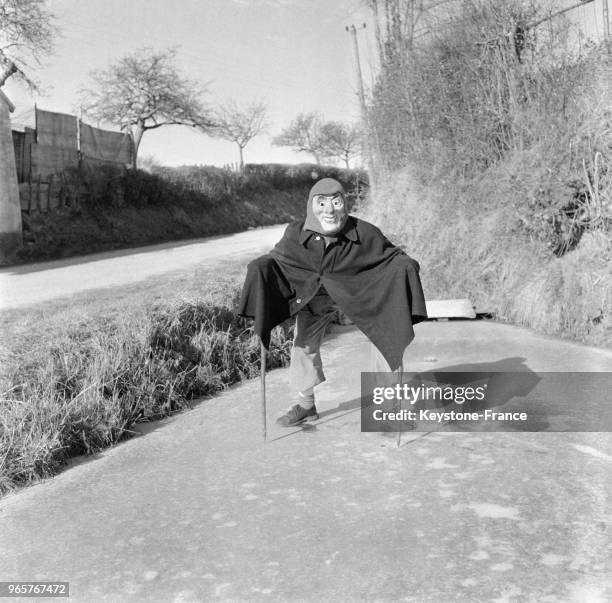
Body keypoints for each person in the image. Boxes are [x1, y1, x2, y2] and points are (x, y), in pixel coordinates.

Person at [238, 177, 427, 427]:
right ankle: (307, 406)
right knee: (302, 345)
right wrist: (262, 266)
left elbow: (392, 256)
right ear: (311, 206)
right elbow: (280, 259)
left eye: (336, 202)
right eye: (322, 203)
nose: (329, 210)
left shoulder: (365, 232)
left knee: (386, 339)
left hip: (358, 298)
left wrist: (405, 266)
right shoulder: (295, 232)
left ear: (344, 206)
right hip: (316, 301)